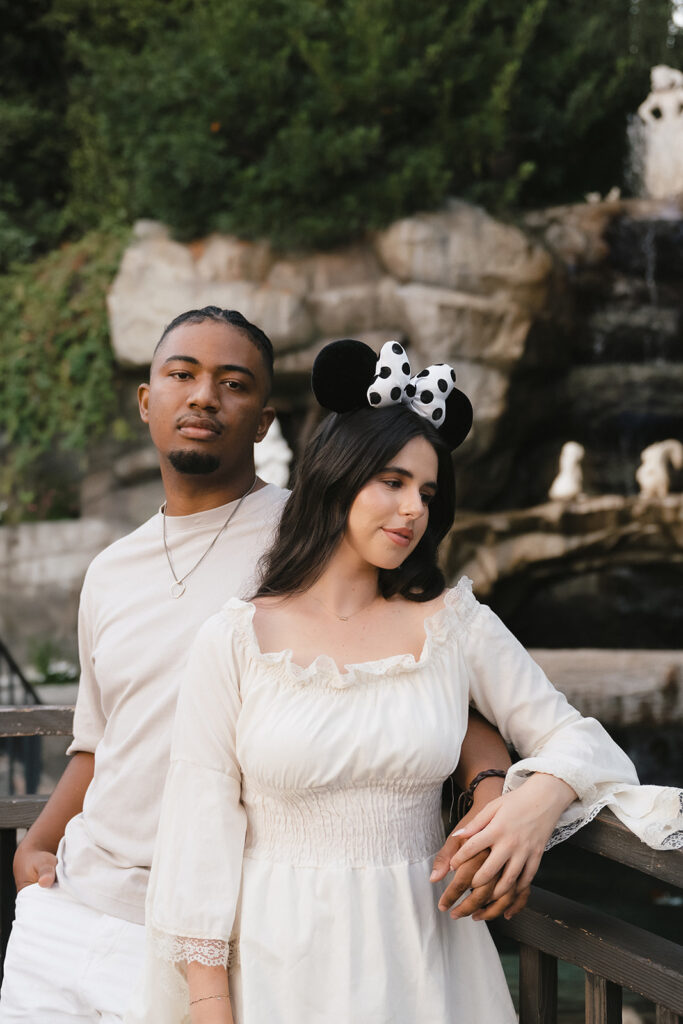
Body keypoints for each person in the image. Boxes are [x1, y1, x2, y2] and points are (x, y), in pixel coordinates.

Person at [129, 338, 683, 1024]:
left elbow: (583, 740)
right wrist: (210, 1004)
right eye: (391, 481)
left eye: (425, 491)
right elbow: (196, 834)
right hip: (278, 962)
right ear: (337, 475)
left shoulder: (454, 625)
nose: (412, 509)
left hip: (426, 954)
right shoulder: (236, 638)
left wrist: (530, 801)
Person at [0, 313, 514, 1023]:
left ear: (266, 421)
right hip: (73, 908)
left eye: (232, 383)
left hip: (209, 929)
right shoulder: (110, 570)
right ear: (147, 400)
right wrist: (39, 841)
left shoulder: (325, 534)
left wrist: (491, 793)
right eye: (181, 375)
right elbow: (100, 739)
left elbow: (442, 677)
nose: (203, 396)